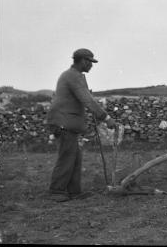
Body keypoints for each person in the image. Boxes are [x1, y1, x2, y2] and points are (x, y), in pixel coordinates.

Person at [46, 48, 116, 202]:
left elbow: (84, 98)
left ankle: (74, 192)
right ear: (83, 61)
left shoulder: (74, 75)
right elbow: (87, 99)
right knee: (67, 157)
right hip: (63, 122)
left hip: (67, 122)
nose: (91, 65)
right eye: (90, 62)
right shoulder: (72, 76)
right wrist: (106, 118)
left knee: (75, 157)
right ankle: (56, 191)